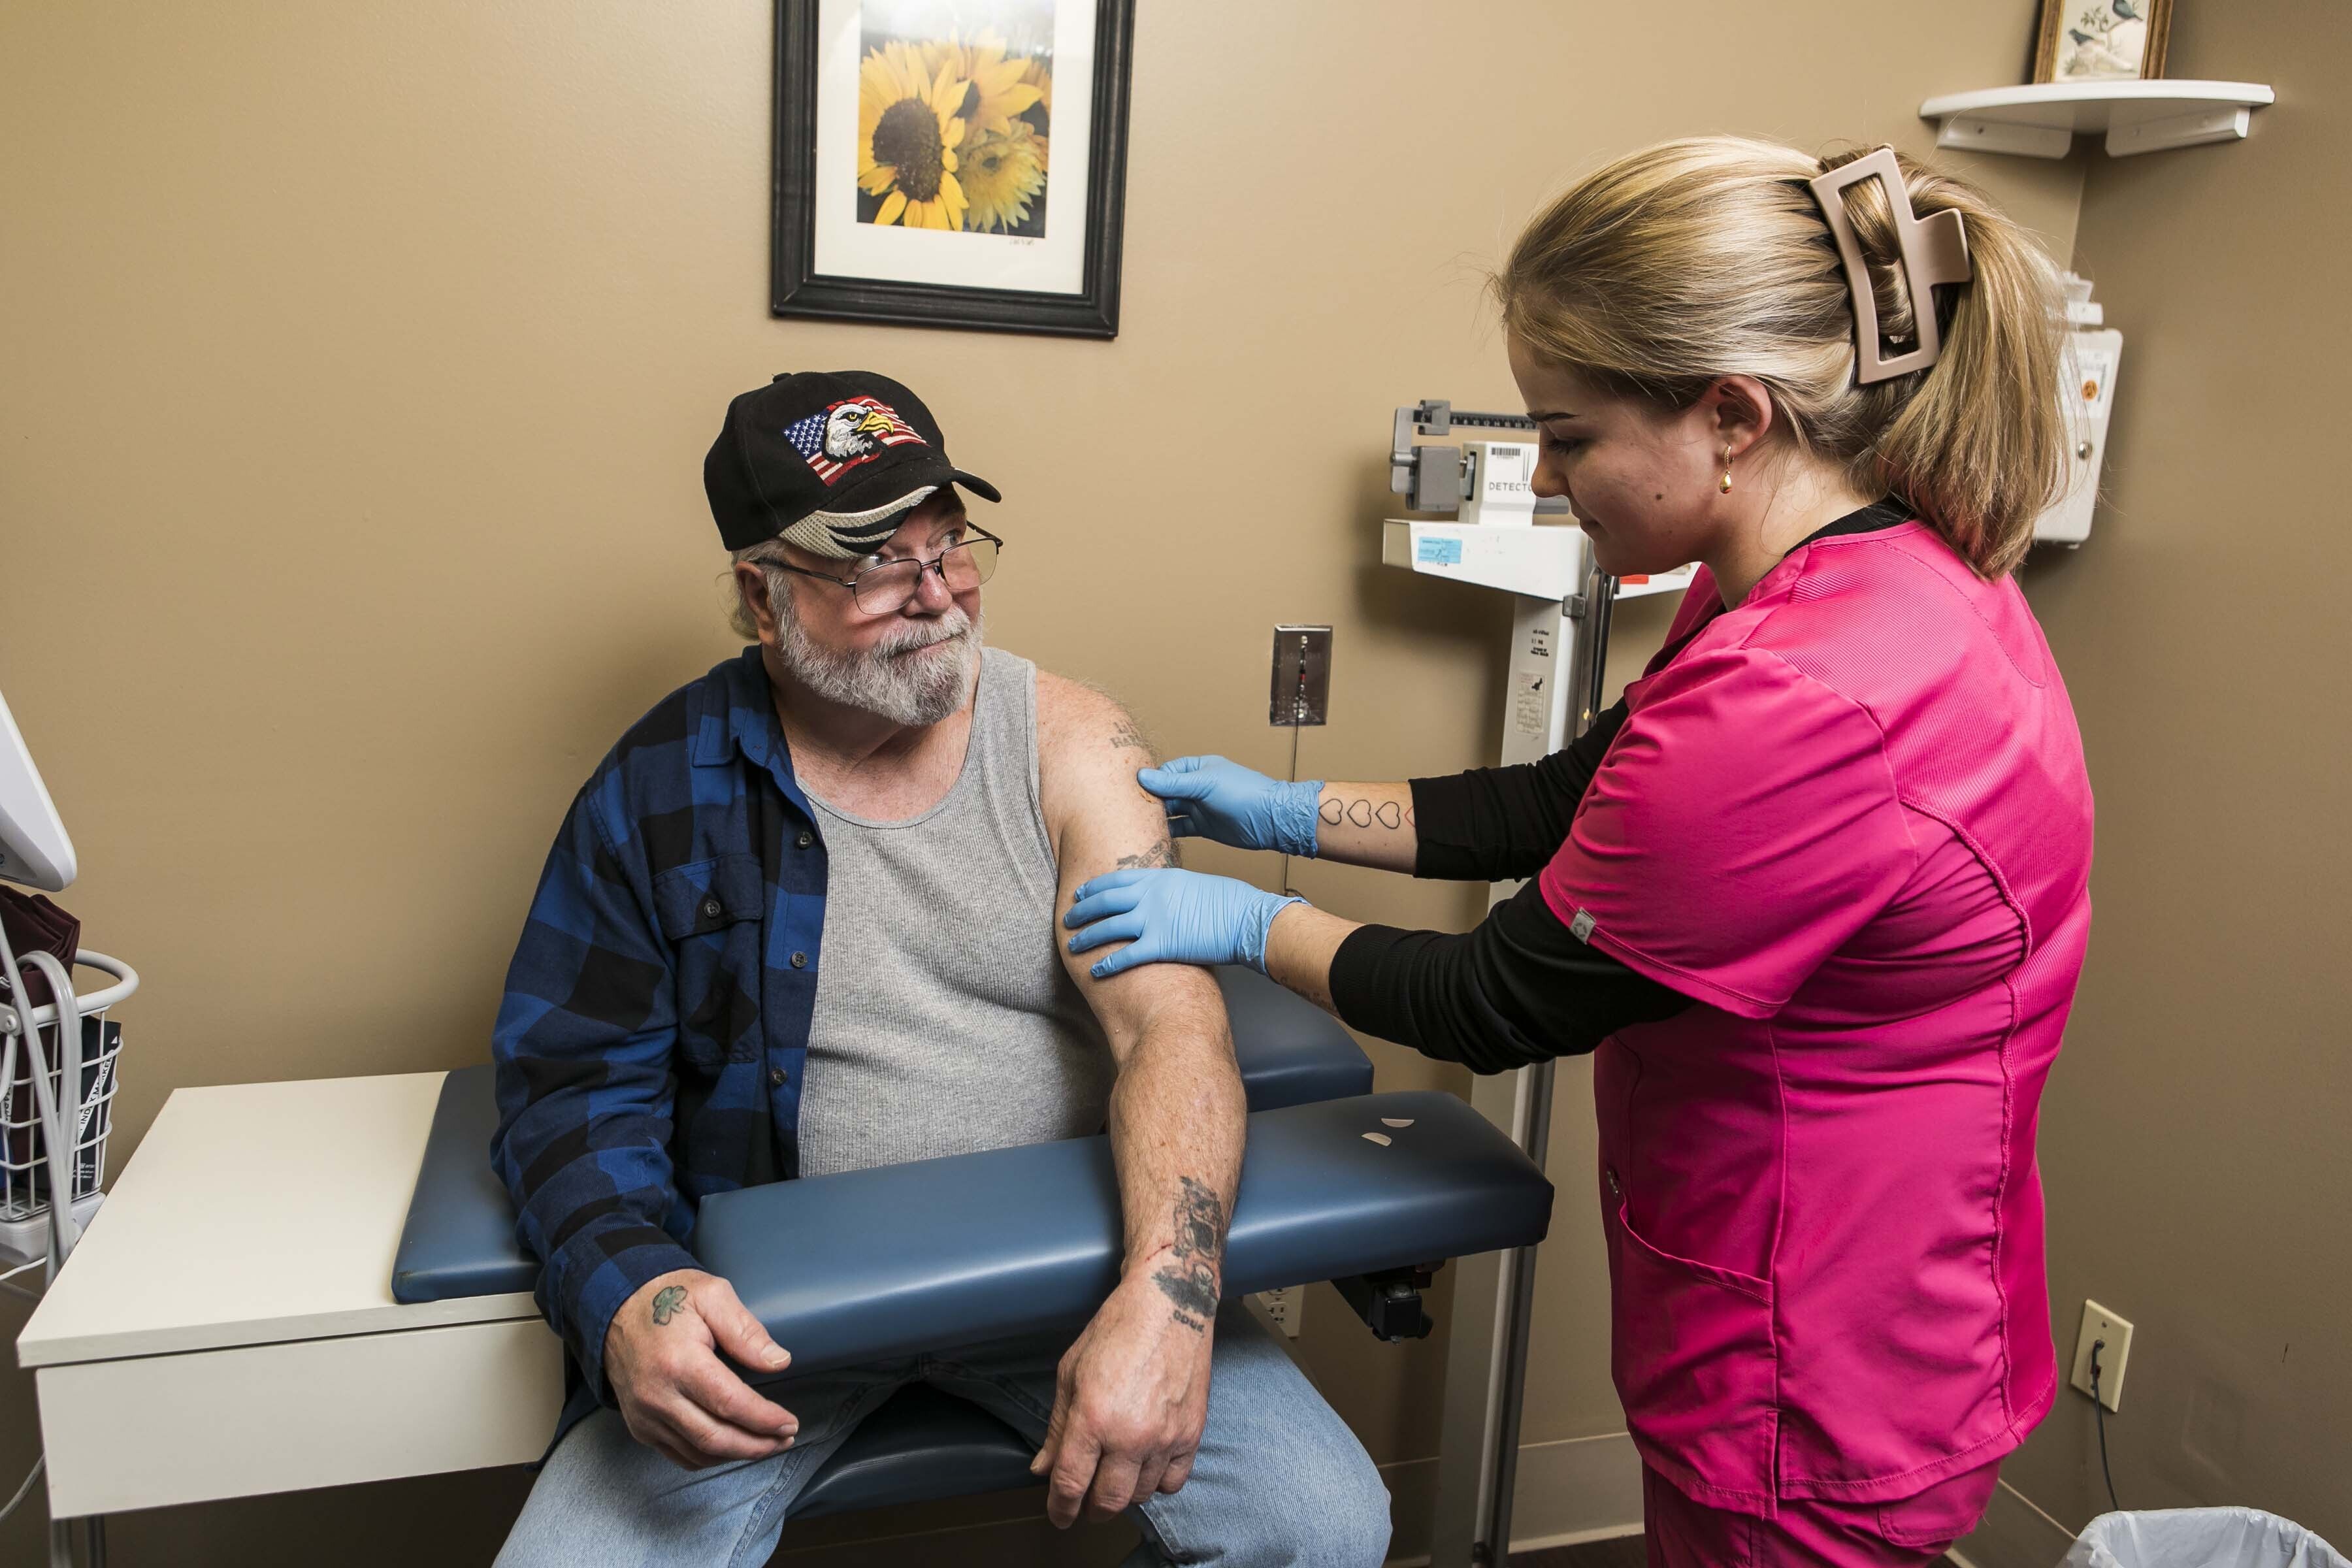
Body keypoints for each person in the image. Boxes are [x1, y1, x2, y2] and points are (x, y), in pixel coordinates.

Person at [1063, 140, 2095, 1567]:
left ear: (1730, 415)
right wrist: (1289, 810)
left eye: (1569, 436)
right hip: (1864, 1282)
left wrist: (1241, 920)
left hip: (1822, 1353)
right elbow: (1563, 801)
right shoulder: (1826, 580)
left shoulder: (1807, 696)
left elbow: (1494, 1000)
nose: (1548, 479)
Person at [489, 370, 1389, 1567]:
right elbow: (570, 1081)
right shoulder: (657, 786)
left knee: (1323, 1523)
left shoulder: (1074, 744)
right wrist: (629, 1293)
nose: (939, 595)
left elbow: (1165, 1031)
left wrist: (1171, 1300)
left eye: (951, 540)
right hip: (780, 1313)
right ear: (763, 596)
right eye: (875, 561)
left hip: (1066, 1276)